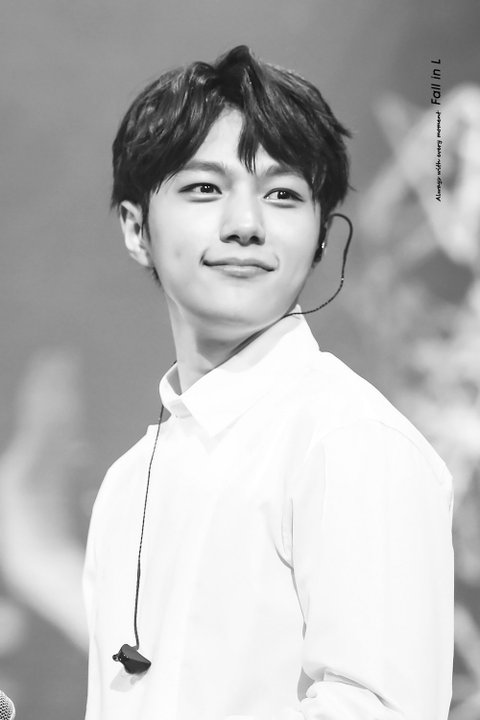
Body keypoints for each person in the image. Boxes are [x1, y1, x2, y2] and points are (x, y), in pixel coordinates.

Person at [83, 45, 454, 720]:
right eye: (205, 188)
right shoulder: (126, 484)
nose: (247, 225)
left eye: (283, 195)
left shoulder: (349, 443)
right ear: (136, 228)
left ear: (321, 237)